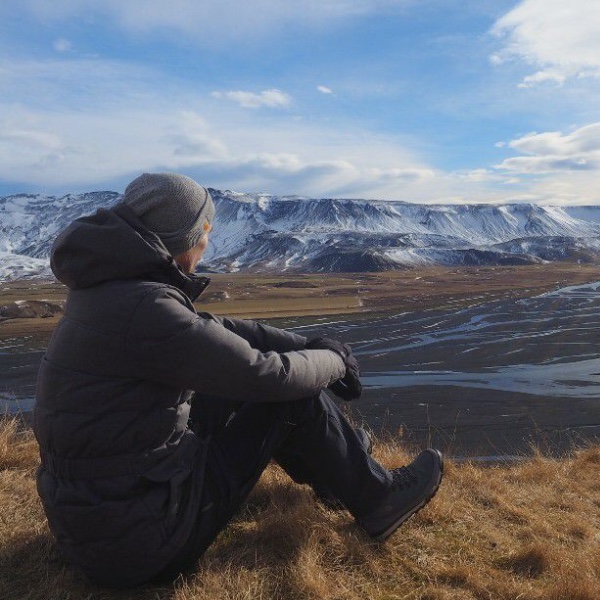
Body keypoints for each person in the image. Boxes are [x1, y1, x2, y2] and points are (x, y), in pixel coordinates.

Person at [33, 172, 443, 588]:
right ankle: (380, 500)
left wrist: (310, 342)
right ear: (184, 237)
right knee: (288, 399)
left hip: (94, 523)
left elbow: (212, 328)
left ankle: (337, 469)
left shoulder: (109, 289)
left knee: (222, 388)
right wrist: (334, 360)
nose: (208, 242)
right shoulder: (146, 307)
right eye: (206, 229)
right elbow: (270, 377)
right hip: (144, 542)